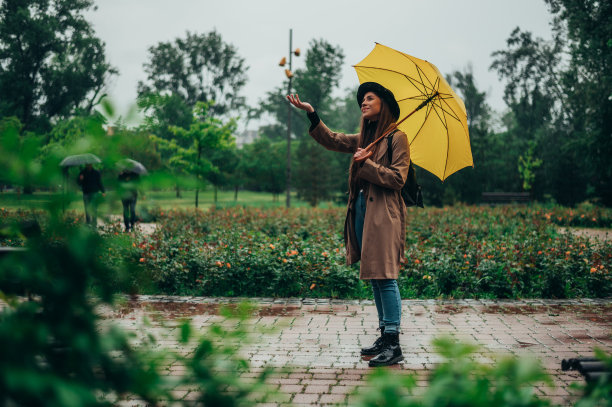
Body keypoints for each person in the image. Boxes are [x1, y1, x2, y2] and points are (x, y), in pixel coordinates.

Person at [287, 82, 410, 367]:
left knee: (386, 276)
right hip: (363, 212)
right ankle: (385, 334)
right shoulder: (365, 139)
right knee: (375, 277)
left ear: (384, 103)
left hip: (385, 215)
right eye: (362, 100)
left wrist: (367, 164)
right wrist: (312, 114)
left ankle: (393, 342)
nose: (363, 103)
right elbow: (333, 139)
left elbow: (398, 179)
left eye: (370, 98)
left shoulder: (397, 138)